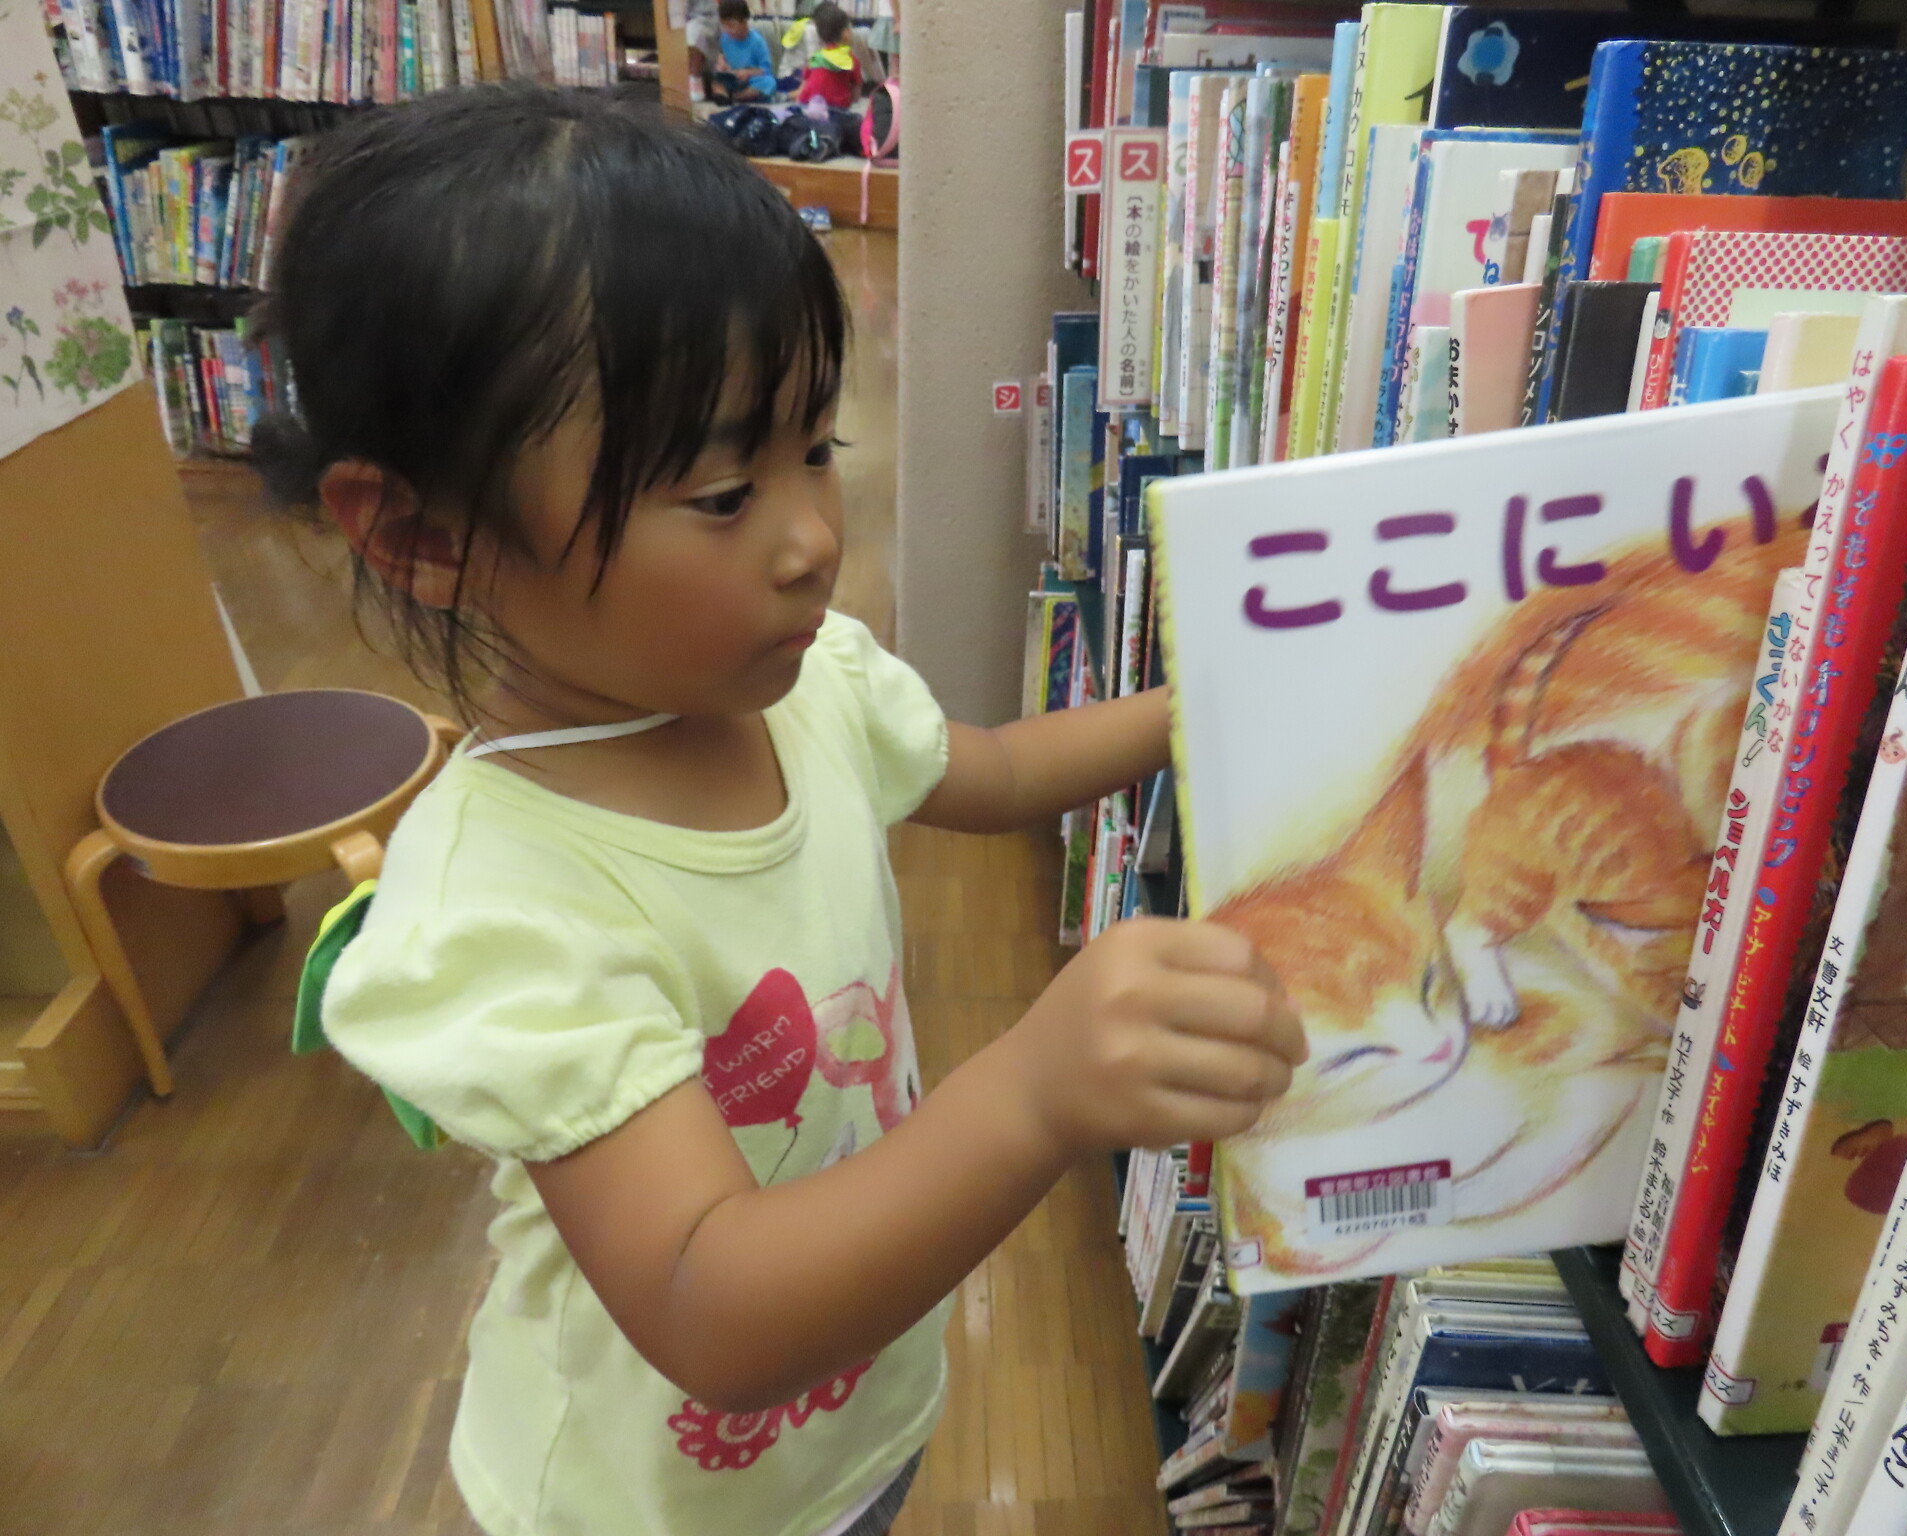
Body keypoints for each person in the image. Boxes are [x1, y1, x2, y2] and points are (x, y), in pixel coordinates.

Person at [254, 86, 1303, 1536]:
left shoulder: (806, 691)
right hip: (645, 1505)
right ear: (428, 538)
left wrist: (1199, 710)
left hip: (855, 1419)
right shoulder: (501, 909)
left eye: (817, 451)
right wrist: (1037, 1088)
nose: (813, 538)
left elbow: (996, 771)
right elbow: (710, 1300)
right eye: (722, 492)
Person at [794, 1, 862, 111]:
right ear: (845, 33)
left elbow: (804, 87)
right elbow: (856, 96)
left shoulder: (815, 58)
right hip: (838, 111)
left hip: (809, 107)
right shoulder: (851, 59)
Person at [708, 0, 774, 103]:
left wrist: (748, 73)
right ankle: (723, 96)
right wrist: (722, 65)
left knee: (769, 82)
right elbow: (720, 57)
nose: (727, 30)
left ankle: (736, 97)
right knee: (716, 81)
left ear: (744, 21)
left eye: (731, 25)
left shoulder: (757, 41)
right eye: (724, 26)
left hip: (750, 81)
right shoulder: (724, 38)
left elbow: (766, 70)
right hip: (732, 80)